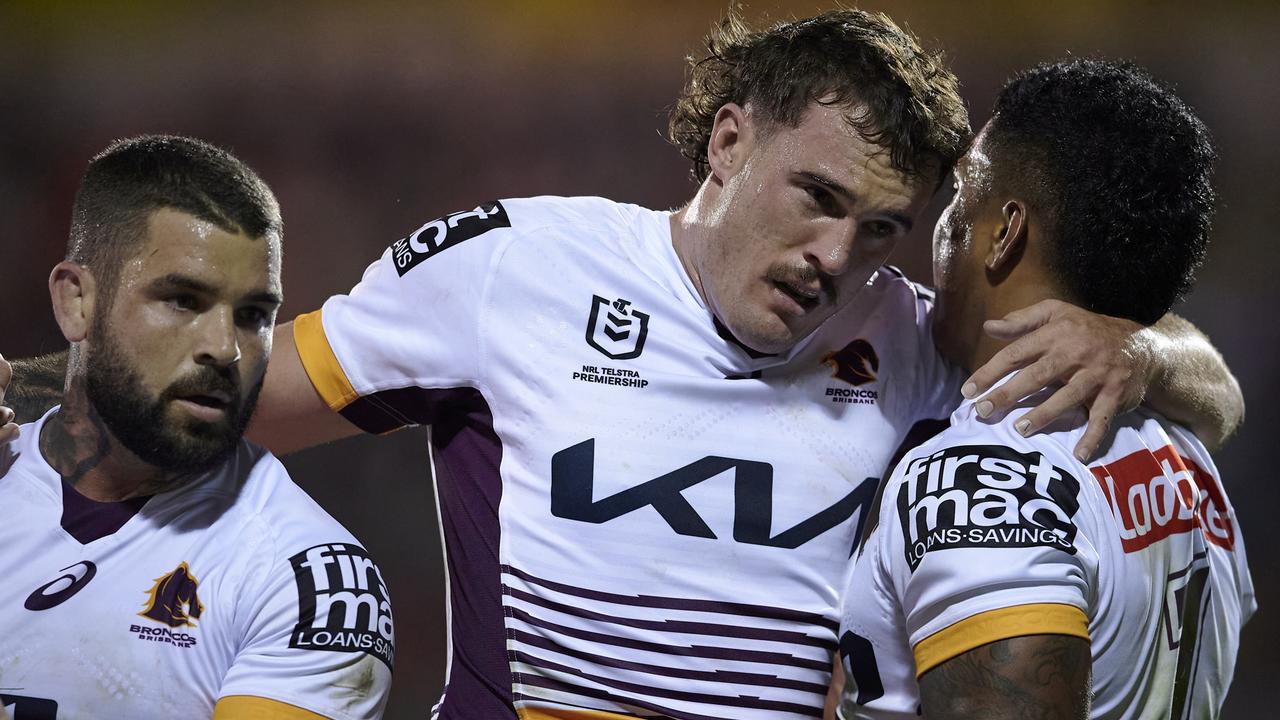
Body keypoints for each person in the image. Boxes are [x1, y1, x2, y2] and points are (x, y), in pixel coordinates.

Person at [1, 11, 1243, 720]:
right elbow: (221, 394)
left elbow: (1211, 398)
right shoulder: (512, 266)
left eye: (875, 227)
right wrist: (24, 394)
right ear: (725, 139)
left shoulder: (910, 337)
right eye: (814, 196)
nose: (832, 254)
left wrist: (1139, 343)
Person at [837, 59, 1254, 719]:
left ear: (1004, 233)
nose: (940, 226)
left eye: (959, 198)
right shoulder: (1184, 452)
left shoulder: (982, 483)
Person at [0, 136, 393, 719]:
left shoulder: (308, 580)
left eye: (254, 316)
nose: (225, 349)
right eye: (183, 300)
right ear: (75, 303)